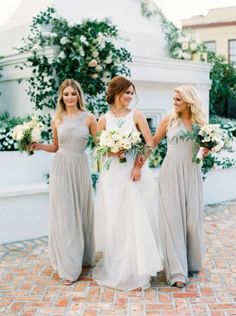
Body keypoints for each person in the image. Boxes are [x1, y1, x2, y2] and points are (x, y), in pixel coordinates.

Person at [93, 76, 163, 291]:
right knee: (116, 220)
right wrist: (111, 150)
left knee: (133, 218)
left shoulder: (137, 115)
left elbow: (149, 143)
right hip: (112, 174)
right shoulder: (103, 119)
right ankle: (118, 267)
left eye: (132, 93)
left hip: (132, 174)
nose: (130, 97)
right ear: (116, 93)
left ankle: (136, 269)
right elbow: (98, 145)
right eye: (127, 92)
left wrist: (138, 166)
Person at [31, 79, 98, 285]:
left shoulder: (89, 118)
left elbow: (99, 144)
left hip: (80, 167)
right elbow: (56, 146)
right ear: (62, 96)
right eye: (66, 94)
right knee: (66, 216)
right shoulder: (57, 119)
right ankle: (69, 268)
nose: (69, 97)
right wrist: (40, 146)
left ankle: (84, 257)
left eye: (73, 94)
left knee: (82, 212)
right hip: (61, 168)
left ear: (79, 95)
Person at [153, 84, 208, 288]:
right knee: (173, 219)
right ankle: (177, 272)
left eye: (178, 99)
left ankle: (191, 262)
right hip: (171, 170)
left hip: (192, 171)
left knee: (192, 220)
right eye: (174, 99)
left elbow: (203, 149)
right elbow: (154, 142)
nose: (174, 102)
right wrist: (138, 161)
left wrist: (205, 151)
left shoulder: (200, 123)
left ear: (188, 101)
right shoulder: (168, 120)